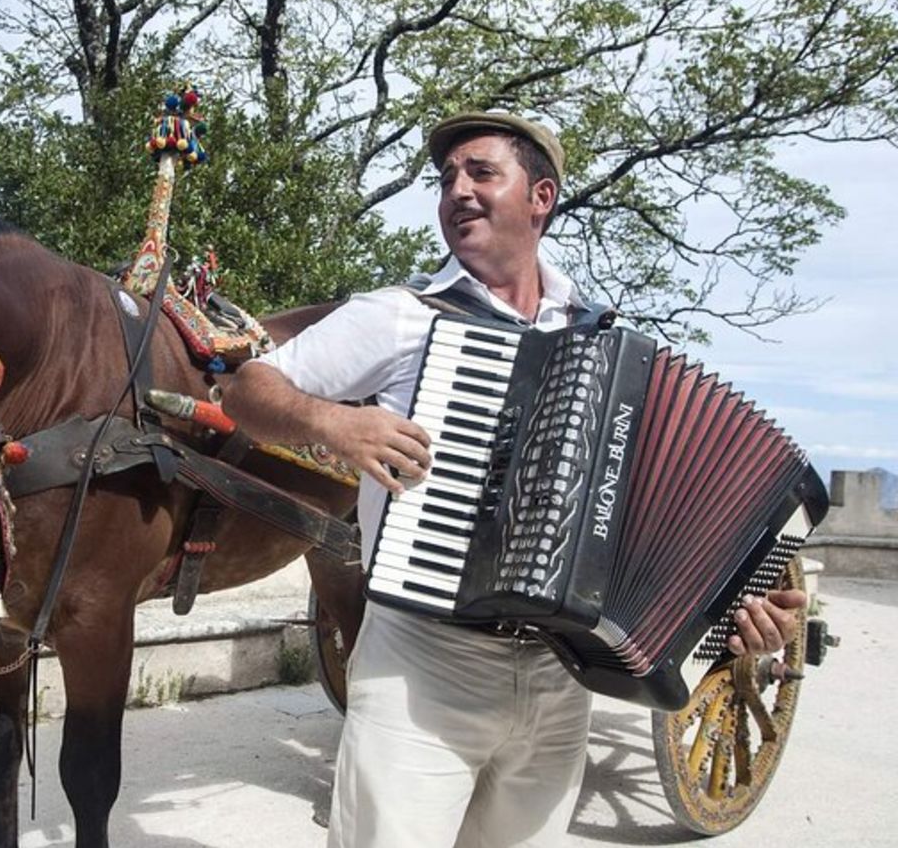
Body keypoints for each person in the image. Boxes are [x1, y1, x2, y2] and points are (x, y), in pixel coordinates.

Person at [223, 110, 806, 848]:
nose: (457, 191)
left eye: (480, 173)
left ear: (541, 198)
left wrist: (736, 613)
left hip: (562, 679)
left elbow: (663, 522)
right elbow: (246, 391)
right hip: (424, 666)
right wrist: (335, 423)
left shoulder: (603, 341)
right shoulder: (400, 315)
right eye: (446, 180)